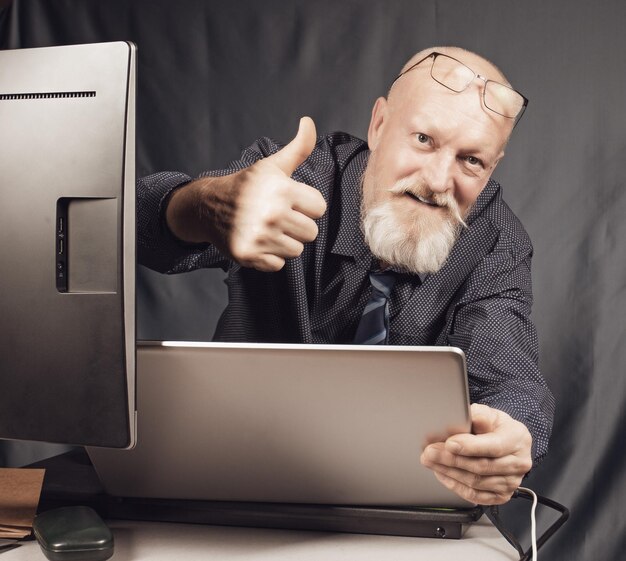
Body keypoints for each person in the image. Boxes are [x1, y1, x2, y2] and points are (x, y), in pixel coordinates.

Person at [137, 46, 555, 505]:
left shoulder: (495, 239)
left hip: (396, 501)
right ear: (378, 126)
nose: (438, 182)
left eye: (471, 160)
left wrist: (511, 434)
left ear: (491, 168)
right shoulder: (296, 179)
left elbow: (511, 379)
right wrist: (202, 206)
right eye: (423, 140)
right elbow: (124, 229)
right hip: (235, 472)